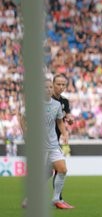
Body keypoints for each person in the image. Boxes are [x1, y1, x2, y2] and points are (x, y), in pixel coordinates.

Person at [23, 81, 70, 209]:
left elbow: (59, 122)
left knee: (62, 170)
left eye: (50, 87)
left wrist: (64, 134)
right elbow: (23, 119)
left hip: (53, 145)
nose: (48, 89)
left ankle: (56, 199)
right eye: (45, 87)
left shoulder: (57, 105)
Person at [51, 74, 74, 209]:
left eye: (63, 84)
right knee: (58, 170)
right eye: (58, 84)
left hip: (54, 140)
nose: (61, 87)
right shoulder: (46, 100)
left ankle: (57, 199)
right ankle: (57, 199)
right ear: (53, 84)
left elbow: (66, 117)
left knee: (58, 170)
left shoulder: (64, 101)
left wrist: (69, 119)